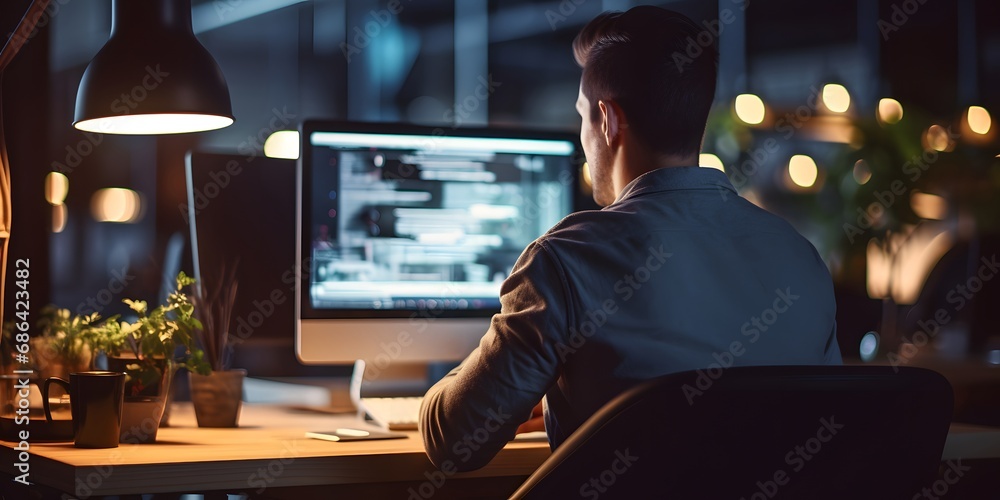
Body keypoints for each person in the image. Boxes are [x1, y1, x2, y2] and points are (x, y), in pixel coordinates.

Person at [419, 6, 841, 472]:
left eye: (582, 116)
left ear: (607, 120)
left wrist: (465, 387)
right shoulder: (800, 257)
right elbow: (829, 430)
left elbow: (455, 442)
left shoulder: (565, 260)